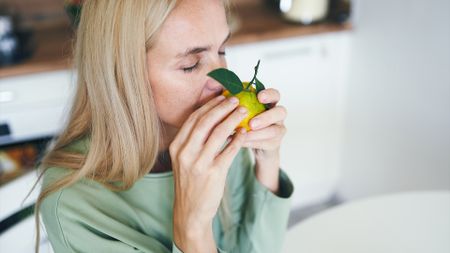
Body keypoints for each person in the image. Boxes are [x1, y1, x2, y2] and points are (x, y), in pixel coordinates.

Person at [35, 0, 293, 252]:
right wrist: (192, 231)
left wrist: (267, 161)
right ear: (123, 75)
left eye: (222, 51)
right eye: (190, 65)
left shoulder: (218, 139)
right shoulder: (74, 206)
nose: (225, 84)